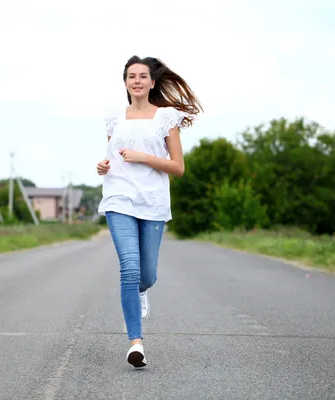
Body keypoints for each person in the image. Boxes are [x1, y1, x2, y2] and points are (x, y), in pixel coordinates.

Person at [96, 55, 203, 368]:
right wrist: (102, 167)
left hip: (153, 201)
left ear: (152, 82)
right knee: (129, 267)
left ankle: (141, 290)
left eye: (143, 76)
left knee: (147, 275)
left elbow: (178, 167)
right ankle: (136, 342)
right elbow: (111, 157)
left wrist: (142, 157)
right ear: (126, 82)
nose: (137, 81)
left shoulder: (166, 118)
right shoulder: (114, 117)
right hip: (119, 198)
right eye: (131, 76)